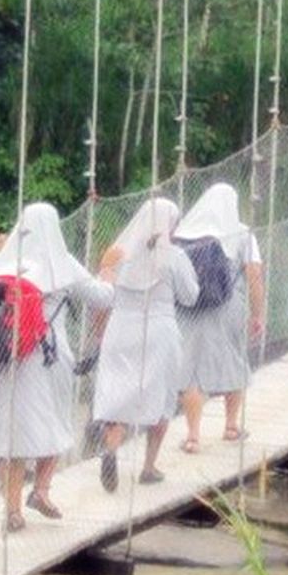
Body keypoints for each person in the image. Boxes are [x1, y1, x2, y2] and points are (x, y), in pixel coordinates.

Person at [0, 202, 112, 533]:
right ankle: (42, 489)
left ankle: (12, 509)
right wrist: (111, 273)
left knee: (10, 435)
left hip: (1, 358)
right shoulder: (61, 262)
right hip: (46, 358)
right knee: (56, 423)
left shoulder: (0, 262)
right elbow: (102, 298)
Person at [92, 197, 199, 492]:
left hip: (121, 327)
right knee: (160, 396)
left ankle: (112, 447)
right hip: (159, 329)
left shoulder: (116, 252)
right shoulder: (174, 256)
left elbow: (102, 293)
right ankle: (149, 466)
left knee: (119, 392)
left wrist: (98, 331)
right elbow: (191, 296)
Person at [173, 183, 266, 453]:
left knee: (191, 370)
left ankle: (192, 436)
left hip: (188, 308)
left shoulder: (182, 234)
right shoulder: (242, 233)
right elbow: (254, 274)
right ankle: (231, 426)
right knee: (233, 360)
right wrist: (257, 313)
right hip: (229, 306)